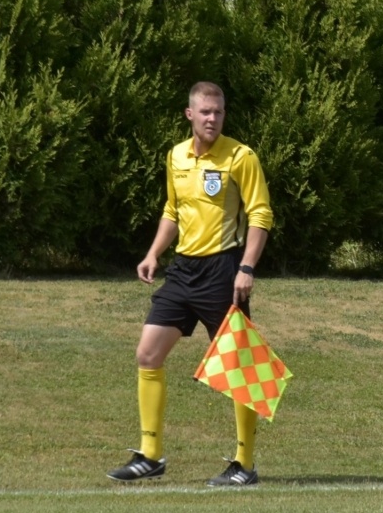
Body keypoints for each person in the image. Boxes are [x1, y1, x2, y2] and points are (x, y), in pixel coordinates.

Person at [108, 82, 274, 487]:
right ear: (190, 115)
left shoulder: (241, 157)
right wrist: (153, 253)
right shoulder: (176, 156)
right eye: (205, 112)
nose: (212, 118)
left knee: (240, 367)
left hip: (223, 271)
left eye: (218, 112)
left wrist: (247, 267)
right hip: (182, 271)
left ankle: (245, 464)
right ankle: (150, 455)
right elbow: (172, 209)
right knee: (148, 353)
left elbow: (261, 214)